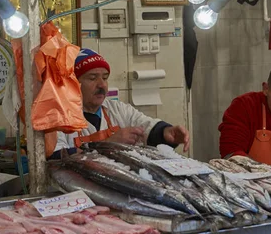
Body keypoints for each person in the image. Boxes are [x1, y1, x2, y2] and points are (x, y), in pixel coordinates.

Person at [49, 48, 190, 158]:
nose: (102, 85)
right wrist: (108, 144)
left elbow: (146, 127)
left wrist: (167, 133)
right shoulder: (57, 118)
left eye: (105, 78)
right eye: (92, 78)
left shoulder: (117, 109)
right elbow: (57, 158)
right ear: (73, 84)